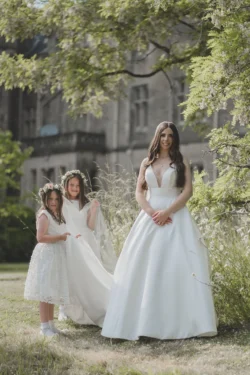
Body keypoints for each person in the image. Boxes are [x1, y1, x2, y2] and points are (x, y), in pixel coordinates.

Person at [102, 121, 217, 340]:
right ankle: (140, 322)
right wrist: (152, 212)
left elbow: (187, 192)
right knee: (143, 267)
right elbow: (138, 192)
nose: (166, 139)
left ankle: (182, 324)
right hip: (150, 217)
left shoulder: (181, 160)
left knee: (176, 267)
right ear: (157, 137)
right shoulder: (147, 162)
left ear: (174, 138)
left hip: (176, 216)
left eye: (170, 135)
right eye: (163, 135)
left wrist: (167, 212)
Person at [58, 170, 115, 325]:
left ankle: (90, 305)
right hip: (70, 240)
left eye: (78, 185)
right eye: (72, 185)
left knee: (88, 275)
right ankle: (65, 307)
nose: (75, 188)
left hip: (86, 240)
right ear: (66, 186)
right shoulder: (62, 202)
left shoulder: (86, 203)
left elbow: (90, 226)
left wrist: (94, 209)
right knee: (69, 274)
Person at [24, 183, 71, 337]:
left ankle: (51, 324)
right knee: (45, 293)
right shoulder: (44, 215)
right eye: (50, 199)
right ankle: (44, 327)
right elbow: (40, 237)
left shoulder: (56, 214)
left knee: (51, 292)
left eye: (56, 199)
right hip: (47, 256)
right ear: (45, 199)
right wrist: (60, 237)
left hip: (56, 256)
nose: (53, 202)